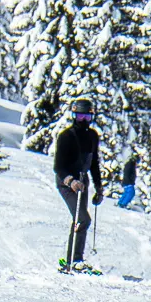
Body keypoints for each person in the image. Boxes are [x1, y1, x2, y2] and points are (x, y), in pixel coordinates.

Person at [53, 96, 104, 268]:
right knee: (83, 219)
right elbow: (58, 166)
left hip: (83, 182)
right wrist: (70, 181)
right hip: (67, 182)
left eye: (87, 118)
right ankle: (74, 260)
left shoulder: (92, 136)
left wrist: (99, 187)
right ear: (74, 116)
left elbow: (94, 163)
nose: (84, 121)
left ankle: (75, 259)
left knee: (79, 219)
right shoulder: (66, 136)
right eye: (80, 117)